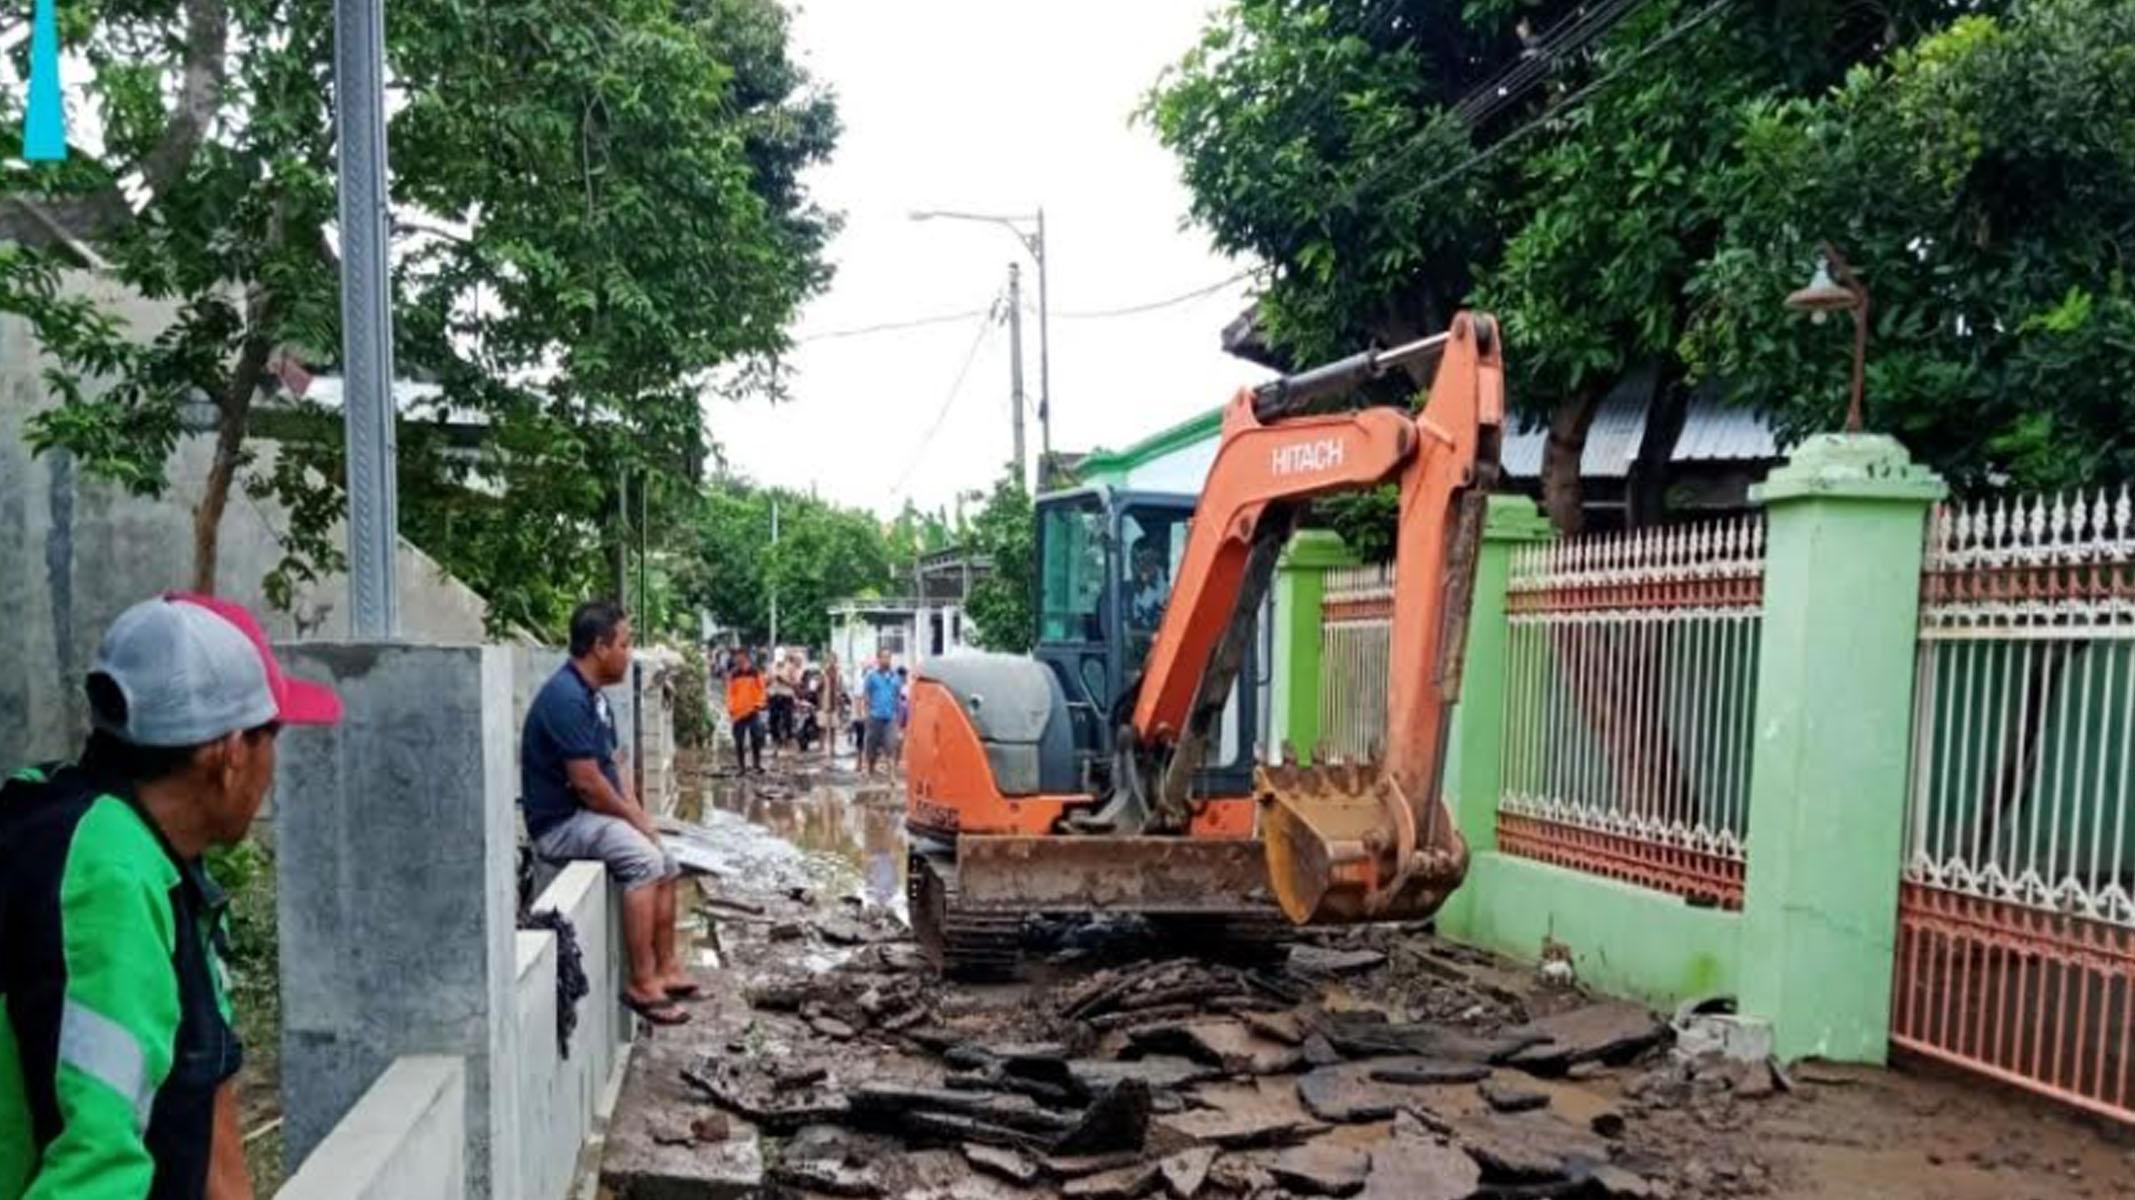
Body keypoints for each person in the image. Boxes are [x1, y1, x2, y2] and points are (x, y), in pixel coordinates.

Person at [1, 592, 342, 1199]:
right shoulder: (105, 877)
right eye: (272, 736)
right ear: (230, 754)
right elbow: (91, 1169)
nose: (273, 766)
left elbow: (207, 1112)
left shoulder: (153, 858)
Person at [522, 600, 694, 1027]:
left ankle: (668, 968)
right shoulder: (565, 698)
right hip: (561, 826)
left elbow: (617, 771)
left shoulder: (596, 700)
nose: (629, 652)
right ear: (599, 647)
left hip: (591, 816)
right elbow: (588, 785)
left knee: (666, 860)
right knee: (644, 862)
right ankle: (642, 981)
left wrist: (644, 821)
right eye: (625, 643)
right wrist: (634, 825)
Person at [726, 648, 768, 774]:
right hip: (738, 712)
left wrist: (759, 703)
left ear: (746, 657)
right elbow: (730, 693)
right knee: (739, 740)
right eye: (736, 657)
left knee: (756, 737)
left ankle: (756, 763)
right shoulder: (733, 674)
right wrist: (730, 707)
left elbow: (762, 689)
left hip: (752, 710)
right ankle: (741, 767)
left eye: (740, 657)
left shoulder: (754, 672)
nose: (737, 659)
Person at [861, 648, 901, 777]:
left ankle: (892, 776)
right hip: (875, 715)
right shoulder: (872, 677)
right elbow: (867, 696)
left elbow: (897, 697)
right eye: (883, 657)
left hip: (890, 717)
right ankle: (869, 770)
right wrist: (866, 714)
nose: (886, 660)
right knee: (871, 747)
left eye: (888, 657)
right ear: (878, 659)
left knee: (891, 746)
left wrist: (898, 717)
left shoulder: (895, 677)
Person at [767, 650, 802, 755]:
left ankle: (788, 744)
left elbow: (796, 684)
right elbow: (766, 681)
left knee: (787, 721)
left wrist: (783, 680)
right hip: (773, 696)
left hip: (786, 696)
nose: (779, 663)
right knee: (773, 721)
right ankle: (776, 744)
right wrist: (770, 679)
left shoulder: (790, 667)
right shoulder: (771, 667)